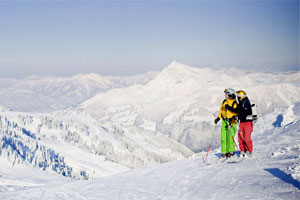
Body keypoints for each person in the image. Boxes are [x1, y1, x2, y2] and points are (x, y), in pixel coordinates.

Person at [226, 90, 254, 157]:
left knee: (246, 137)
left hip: (247, 122)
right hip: (242, 122)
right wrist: (230, 108)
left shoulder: (246, 103)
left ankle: (249, 151)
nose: (237, 98)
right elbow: (238, 110)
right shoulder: (241, 103)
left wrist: (238, 116)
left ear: (241, 97)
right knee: (240, 137)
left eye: (238, 96)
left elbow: (246, 113)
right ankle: (242, 150)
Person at [214, 88, 239, 159]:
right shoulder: (224, 101)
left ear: (230, 94)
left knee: (230, 137)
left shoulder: (234, 103)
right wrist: (218, 118)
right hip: (224, 121)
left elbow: (236, 114)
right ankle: (224, 152)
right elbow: (221, 111)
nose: (225, 95)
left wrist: (232, 123)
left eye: (226, 94)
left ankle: (231, 151)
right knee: (223, 137)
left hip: (231, 122)